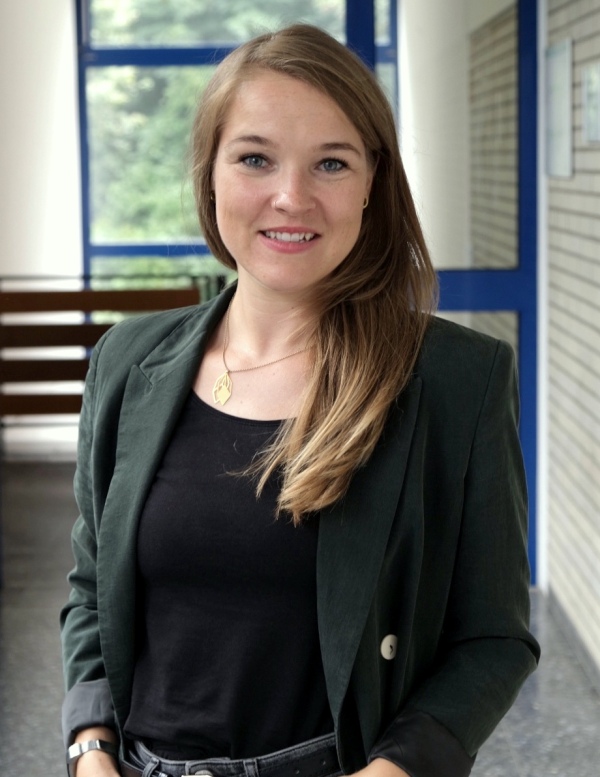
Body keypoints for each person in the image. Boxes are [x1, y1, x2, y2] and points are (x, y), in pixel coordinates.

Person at [60, 23, 540, 777]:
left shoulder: (455, 380)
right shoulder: (127, 359)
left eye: (331, 163)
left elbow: (493, 637)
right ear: (210, 175)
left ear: (372, 184)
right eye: (255, 158)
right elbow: (92, 590)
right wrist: (90, 746)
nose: (291, 197)